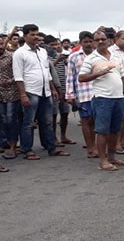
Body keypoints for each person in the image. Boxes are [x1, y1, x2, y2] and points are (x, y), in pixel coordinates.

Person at [12, 24, 69, 160]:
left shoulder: (42, 51)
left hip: (46, 91)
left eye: (37, 34)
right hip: (30, 91)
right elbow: (18, 76)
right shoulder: (20, 53)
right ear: (25, 36)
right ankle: (27, 150)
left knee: (47, 121)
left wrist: (53, 88)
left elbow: (46, 72)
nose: (35, 37)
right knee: (28, 122)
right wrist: (23, 94)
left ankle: (50, 147)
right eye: (32, 34)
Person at [78, 30, 124, 171]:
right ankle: (103, 161)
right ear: (94, 42)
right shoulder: (91, 58)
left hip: (118, 98)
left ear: (109, 41)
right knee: (102, 130)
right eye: (97, 40)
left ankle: (112, 157)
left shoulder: (115, 56)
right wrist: (98, 73)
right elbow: (81, 77)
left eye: (103, 39)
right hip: (102, 99)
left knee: (115, 130)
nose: (100, 42)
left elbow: (122, 77)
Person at [65, 31, 98, 158]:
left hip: (98, 92)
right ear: (80, 43)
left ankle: (95, 146)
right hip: (83, 93)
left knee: (95, 121)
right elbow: (70, 77)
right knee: (86, 120)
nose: (89, 44)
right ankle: (90, 148)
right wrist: (70, 95)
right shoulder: (74, 57)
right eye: (86, 42)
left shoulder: (98, 56)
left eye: (90, 41)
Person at [0, 33, 19, 170]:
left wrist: (10, 81)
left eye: (2, 43)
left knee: (11, 119)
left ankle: (13, 145)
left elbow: (19, 73)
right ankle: (4, 143)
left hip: (11, 92)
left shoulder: (12, 57)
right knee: (2, 120)